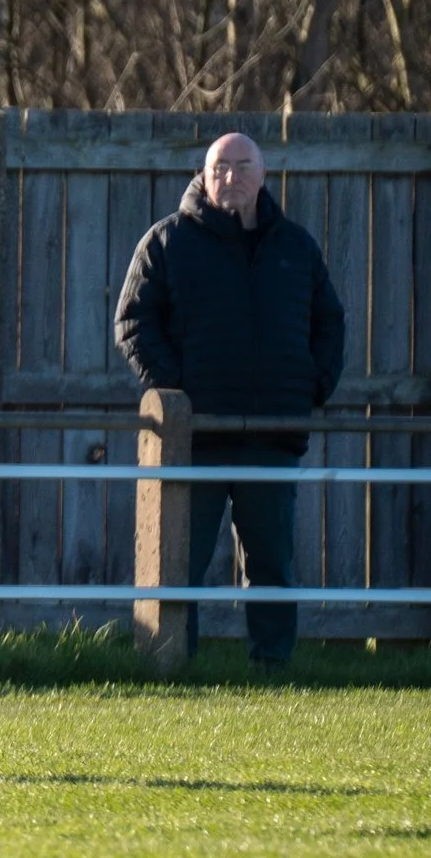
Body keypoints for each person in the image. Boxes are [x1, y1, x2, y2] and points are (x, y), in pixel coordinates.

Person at [115, 133, 344, 670]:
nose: (230, 177)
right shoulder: (168, 241)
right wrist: (179, 390)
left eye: (243, 166)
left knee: (272, 564)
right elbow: (133, 323)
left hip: (272, 434)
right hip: (194, 438)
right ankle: (172, 665)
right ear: (203, 174)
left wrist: (310, 385)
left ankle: (273, 668)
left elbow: (329, 323)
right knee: (180, 562)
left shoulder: (295, 247)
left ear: (263, 175)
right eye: (220, 167)